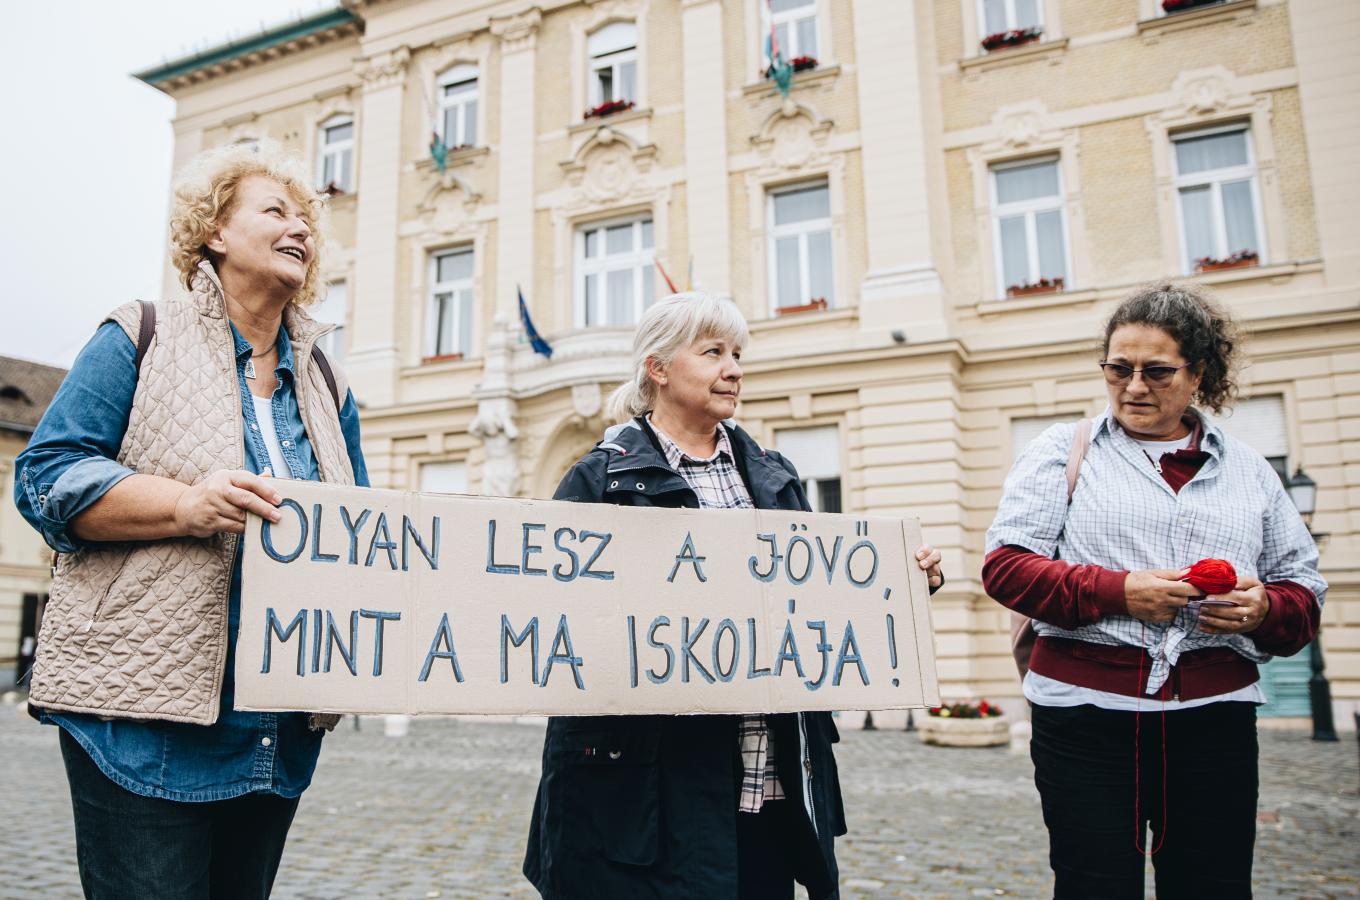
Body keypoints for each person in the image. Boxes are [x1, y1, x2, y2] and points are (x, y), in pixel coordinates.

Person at [14, 140, 367, 900]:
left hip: (273, 733)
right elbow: (45, 479)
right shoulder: (138, 336)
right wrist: (184, 504)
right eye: (275, 210)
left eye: (306, 217)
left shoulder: (331, 385)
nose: (300, 226)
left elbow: (361, 537)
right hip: (141, 722)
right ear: (213, 231)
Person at [523, 292, 945, 900]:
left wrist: (898, 585)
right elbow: (553, 617)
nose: (735, 368)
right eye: (714, 352)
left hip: (768, 780)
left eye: (738, 353)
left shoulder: (772, 475)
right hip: (647, 797)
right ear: (658, 368)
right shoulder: (598, 479)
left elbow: (815, 599)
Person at [984, 282, 1325, 898]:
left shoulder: (1248, 469)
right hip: (1084, 717)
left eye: (1157, 370)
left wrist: (1264, 607)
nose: (1134, 386)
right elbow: (1006, 568)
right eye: (1119, 368)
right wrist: (1120, 592)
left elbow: (1304, 591)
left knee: (1212, 885)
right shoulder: (1063, 450)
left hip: (1214, 723)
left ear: (1198, 373)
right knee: (1095, 886)